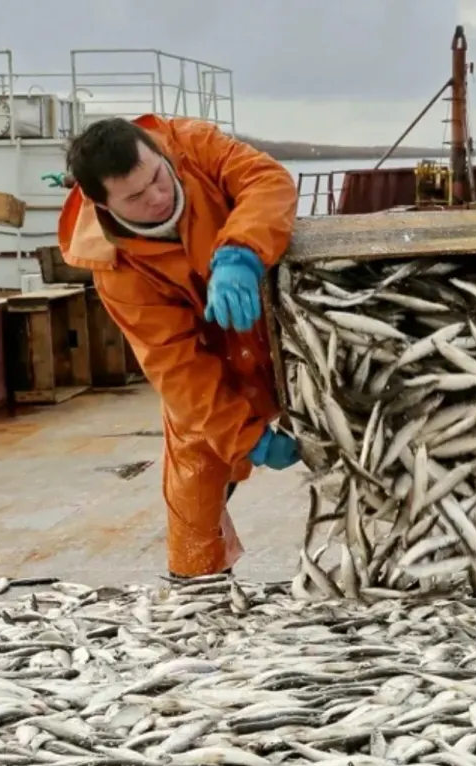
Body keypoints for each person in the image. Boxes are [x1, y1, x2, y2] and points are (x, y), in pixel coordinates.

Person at [57, 115, 300, 582]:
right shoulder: (115, 269)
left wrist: (241, 251)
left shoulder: (191, 144)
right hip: (217, 367)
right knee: (194, 491)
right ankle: (198, 590)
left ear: (158, 151)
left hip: (286, 332)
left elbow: (266, 181)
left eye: (157, 177)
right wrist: (247, 438)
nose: (157, 196)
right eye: (135, 196)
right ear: (100, 203)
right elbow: (176, 366)